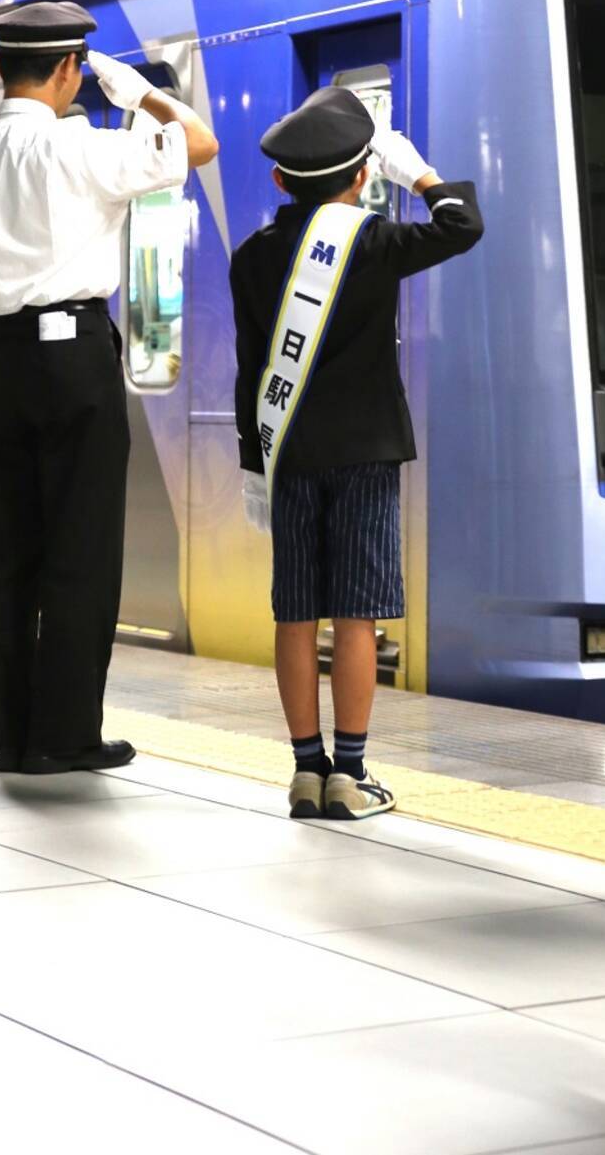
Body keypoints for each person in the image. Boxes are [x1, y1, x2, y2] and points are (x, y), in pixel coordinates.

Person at [0, 1, 218, 774]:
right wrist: (142, 96)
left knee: (9, 555)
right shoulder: (81, 148)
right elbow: (200, 142)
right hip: (73, 360)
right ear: (68, 70)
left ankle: (13, 737)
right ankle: (65, 734)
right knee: (81, 550)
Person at [230, 86, 483, 819]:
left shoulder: (252, 259)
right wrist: (423, 176)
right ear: (363, 176)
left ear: (280, 181)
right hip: (367, 450)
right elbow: (462, 226)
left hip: (291, 453)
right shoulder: (372, 242)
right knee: (356, 616)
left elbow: (251, 369)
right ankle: (351, 773)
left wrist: (254, 458)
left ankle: (305, 773)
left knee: (296, 612)